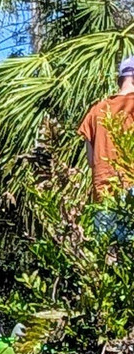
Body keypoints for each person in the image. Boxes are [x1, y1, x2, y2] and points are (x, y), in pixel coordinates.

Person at [78, 54, 134, 241]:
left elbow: (90, 160)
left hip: (104, 195)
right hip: (131, 191)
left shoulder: (96, 111)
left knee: (108, 259)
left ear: (120, 80)